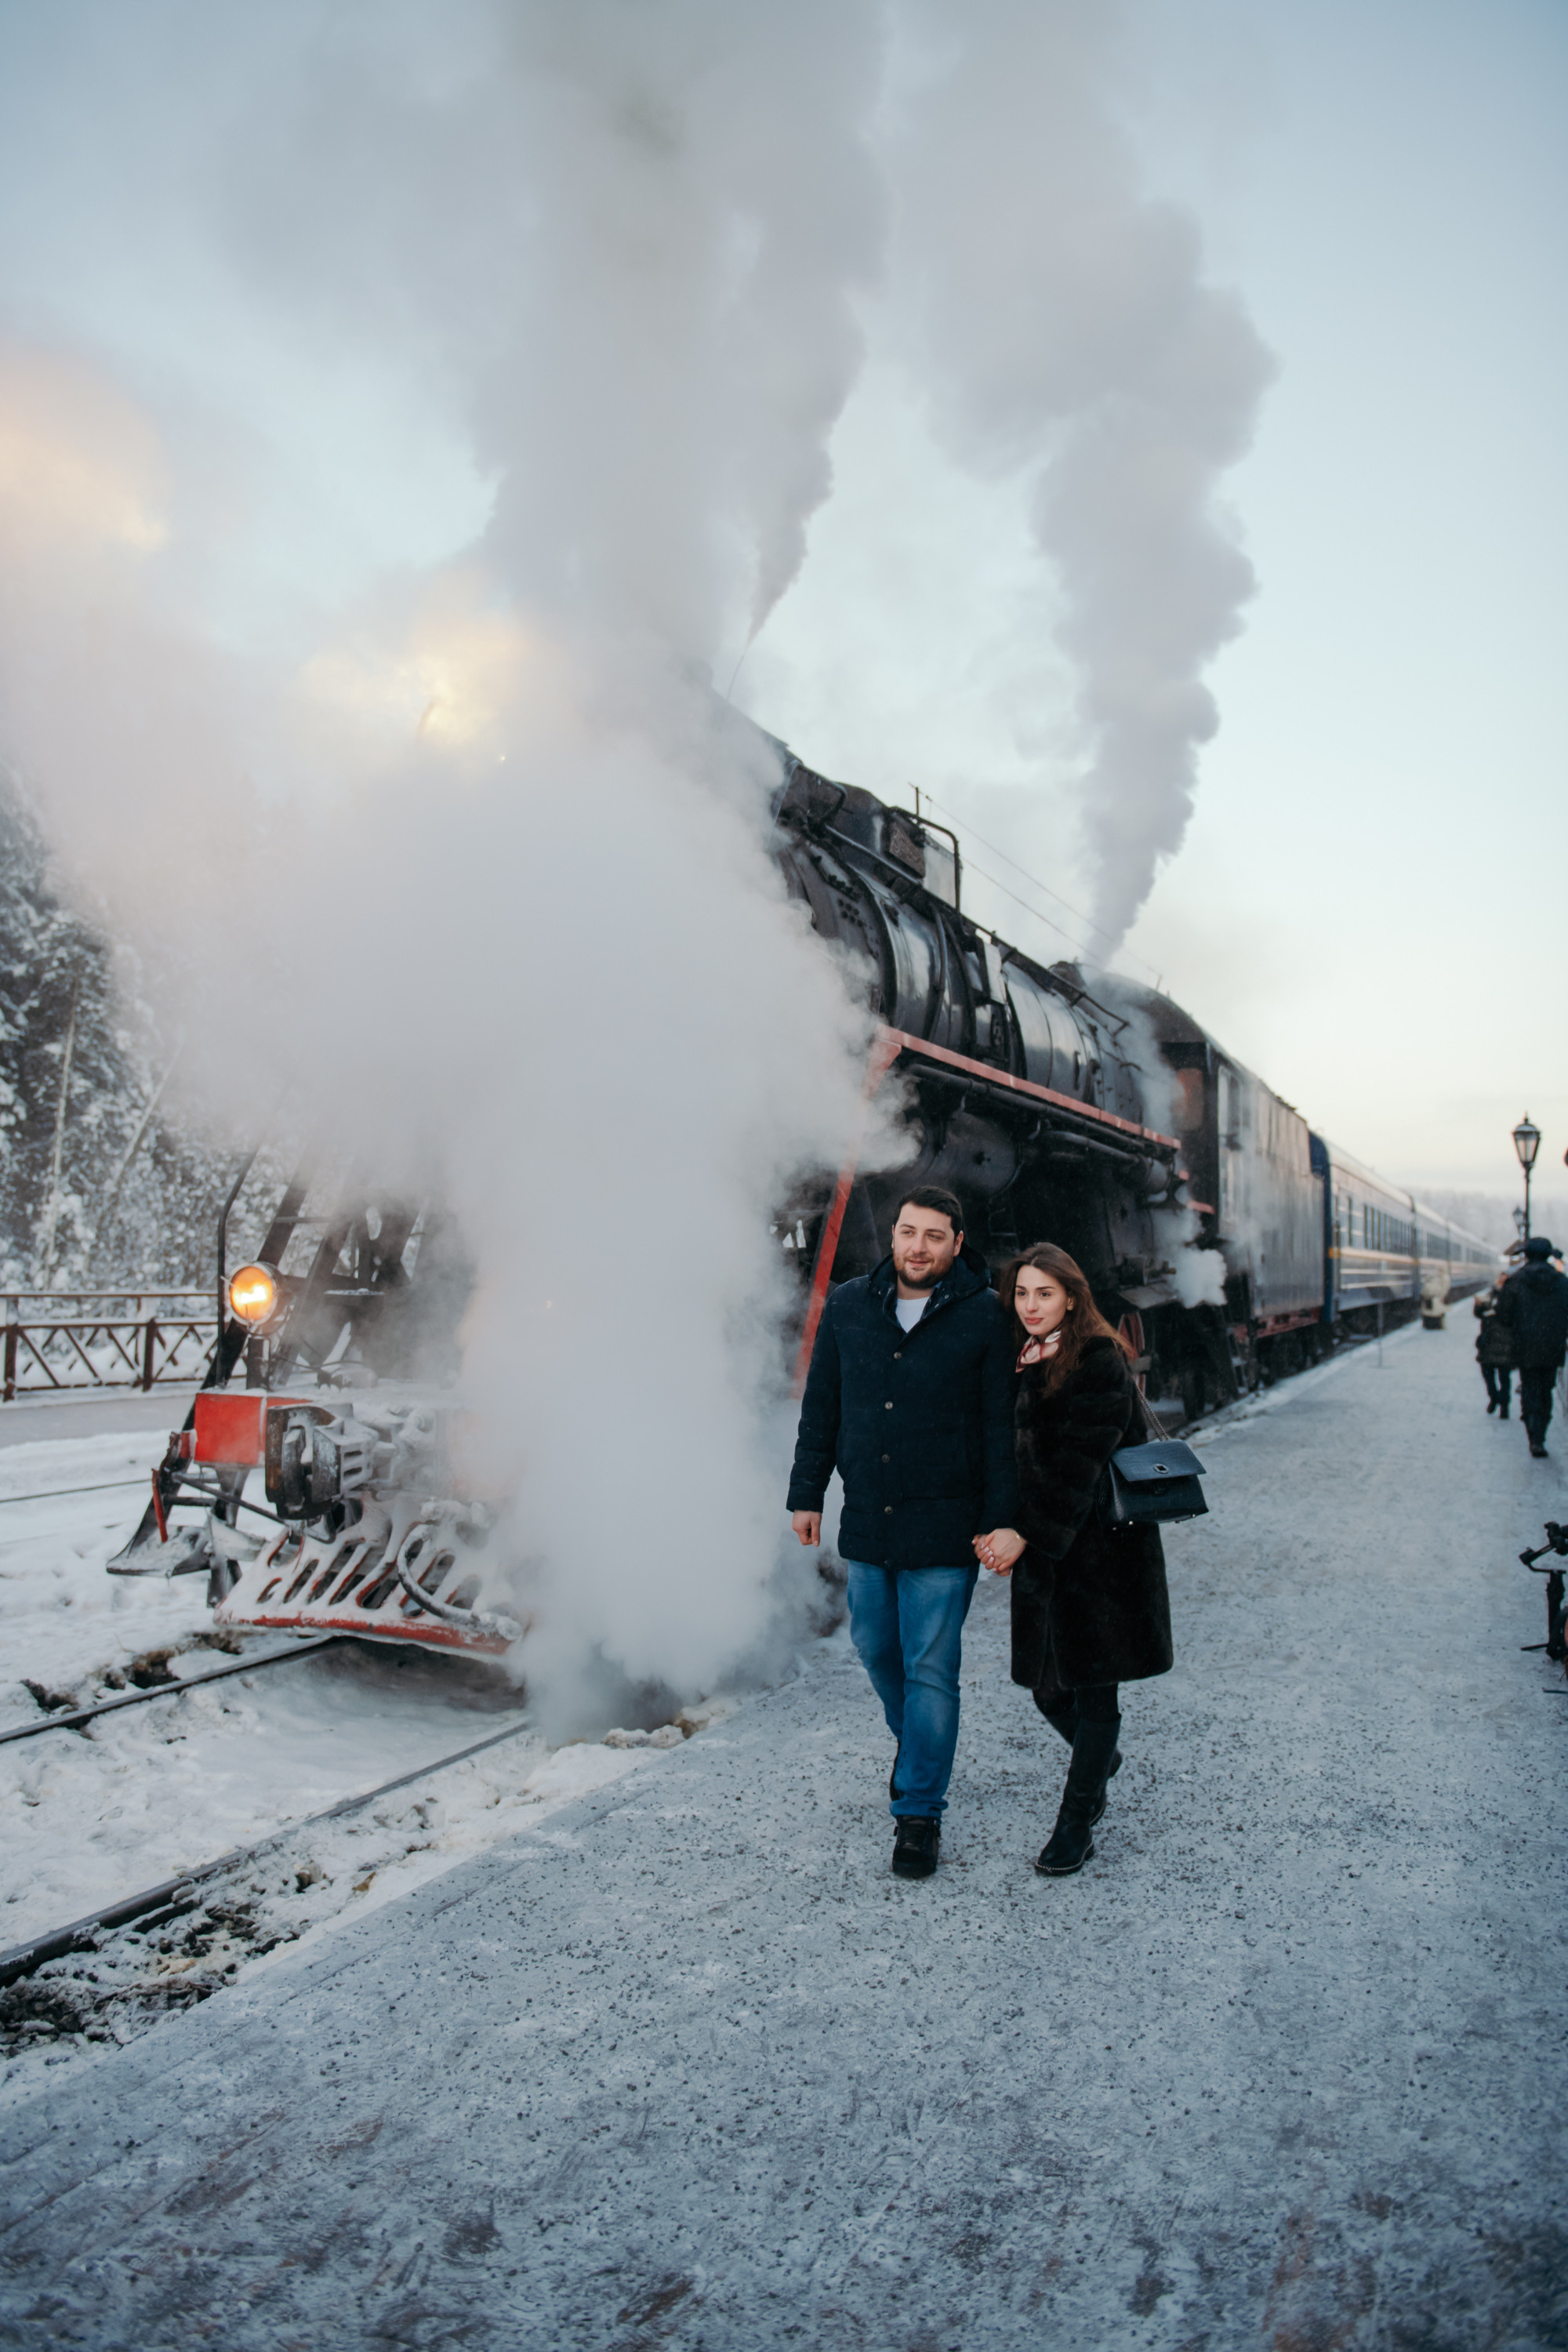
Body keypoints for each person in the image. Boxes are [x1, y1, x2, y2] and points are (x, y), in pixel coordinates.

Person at [788, 1185, 1022, 1881]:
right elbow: (821, 1406)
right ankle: (918, 1750)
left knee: (930, 1668)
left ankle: (919, 1812)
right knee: (874, 1648)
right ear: (893, 1235)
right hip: (869, 1515)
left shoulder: (984, 1316)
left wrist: (1001, 1516)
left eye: (934, 1236)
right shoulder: (850, 1305)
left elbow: (997, 1429)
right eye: (908, 1232)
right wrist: (806, 1493)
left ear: (956, 1244)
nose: (918, 1247)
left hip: (946, 1522)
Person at [976, 1243, 1173, 1878]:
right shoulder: (1021, 1357)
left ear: (1072, 1297)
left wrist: (1021, 1535)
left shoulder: (1097, 1358)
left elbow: (1077, 1467)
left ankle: (1076, 1824)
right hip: (1049, 1550)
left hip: (1103, 1556)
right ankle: (1101, 1757)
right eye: (1023, 1294)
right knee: (1045, 1689)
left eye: (1045, 1294)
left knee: (1094, 1690)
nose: (1031, 1306)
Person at [1494, 1236, 1568, 1458]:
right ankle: (1541, 1436)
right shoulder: (1563, 1282)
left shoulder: (1515, 1281)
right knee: (1546, 1390)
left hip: (1525, 1344)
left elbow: (1504, 1315)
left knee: (1529, 1388)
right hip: (1553, 1345)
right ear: (1548, 1255)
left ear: (1526, 1255)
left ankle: (1533, 1435)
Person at [1473, 1273, 1515, 1418]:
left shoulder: (1513, 1297)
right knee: (1489, 1376)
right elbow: (1478, 1314)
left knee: (1503, 1377)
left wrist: (1494, 1312)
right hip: (1489, 1342)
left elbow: (1511, 1317)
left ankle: (1503, 1405)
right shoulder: (1490, 1295)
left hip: (1504, 1342)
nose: (1501, 1281)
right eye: (1500, 1278)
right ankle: (1495, 1398)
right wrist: (1479, 1306)